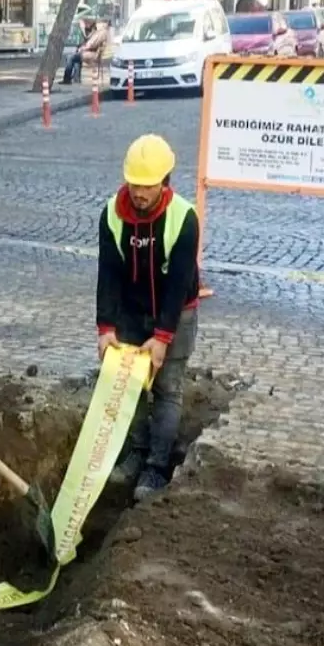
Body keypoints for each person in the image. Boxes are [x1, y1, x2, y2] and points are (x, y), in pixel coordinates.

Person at [96, 134, 200, 502]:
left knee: (167, 388)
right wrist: (106, 327)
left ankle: (157, 466)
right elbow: (107, 272)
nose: (139, 192)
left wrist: (163, 337)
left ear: (165, 182)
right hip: (130, 310)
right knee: (128, 386)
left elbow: (180, 284)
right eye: (134, 183)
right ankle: (136, 451)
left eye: (147, 185)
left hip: (175, 312)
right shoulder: (111, 213)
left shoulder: (183, 218)